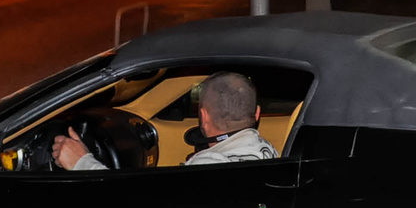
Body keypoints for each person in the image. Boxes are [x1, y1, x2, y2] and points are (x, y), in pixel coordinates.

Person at [52, 71, 278, 170]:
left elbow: (143, 207)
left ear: (204, 117)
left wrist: (81, 162)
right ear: (257, 114)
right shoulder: (269, 152)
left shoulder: (210, 168)